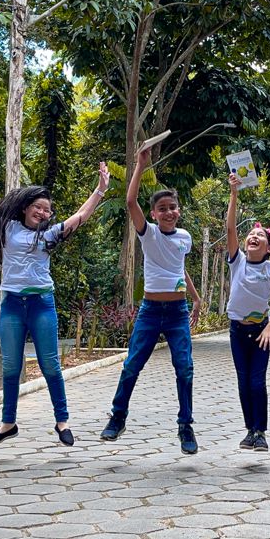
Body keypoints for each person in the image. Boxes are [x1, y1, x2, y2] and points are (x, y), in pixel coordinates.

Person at [0, 149, 110, 447]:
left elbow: (81, 216)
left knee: (50, 365)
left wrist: (100, 190)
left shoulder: (50, 234)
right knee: (10, 367)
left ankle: (62, 421)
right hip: (11, 305)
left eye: (48, 210)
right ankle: (8, 424)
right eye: (38, 207)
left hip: (42, 304)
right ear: (25, 208)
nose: (43, 213)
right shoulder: (7, 227)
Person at [100, 145, 202, 453]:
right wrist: (141, 165)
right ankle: (118, 417)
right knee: (132, 365)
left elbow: (179, 269)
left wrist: (196, 299)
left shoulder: (185, 238)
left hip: (177, 312)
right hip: (150, 311)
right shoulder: (149, 234)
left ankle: (185, 426)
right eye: (162, 209)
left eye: (173, 207)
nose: (169, 212)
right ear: (154, 214)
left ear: (178, 211)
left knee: (184, 368)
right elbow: (131, 201)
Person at [225, 173, 270, 453]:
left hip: (260, 332)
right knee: (243, 382)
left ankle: (260, 431)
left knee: (256, 381)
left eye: (260, 236)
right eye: (252, 234)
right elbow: (230, 229)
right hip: (237, 331)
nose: (254, 236)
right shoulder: (237, 261)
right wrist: (234, 193)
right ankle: (249, 430)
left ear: (269, 247)